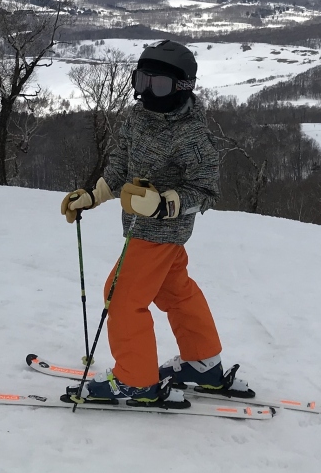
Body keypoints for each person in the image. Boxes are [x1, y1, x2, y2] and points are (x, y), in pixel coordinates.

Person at [58, 39, 253, 407]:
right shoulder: (137, 118)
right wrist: (93, 195)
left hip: (161, 233)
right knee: (174, 291)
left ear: (182, 88)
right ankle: (202, 363)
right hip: (139, 228)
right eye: (141, 82)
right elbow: (119, 165)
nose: (147, 93)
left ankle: (136, 380)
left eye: (158, 85)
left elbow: (205, 191)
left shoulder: (192, 135)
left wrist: (165, 205)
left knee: (120, 296)